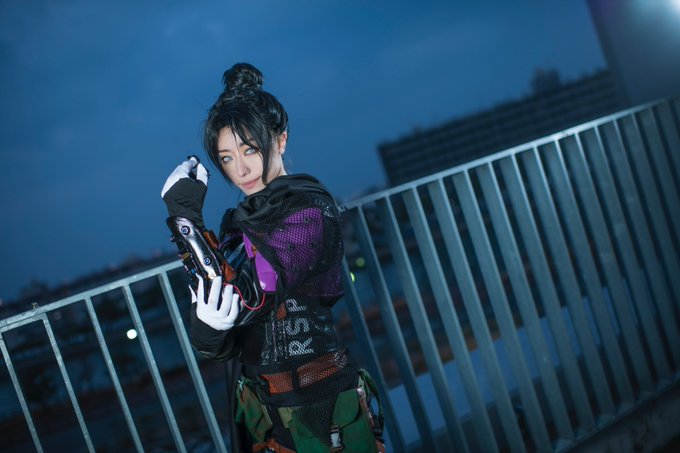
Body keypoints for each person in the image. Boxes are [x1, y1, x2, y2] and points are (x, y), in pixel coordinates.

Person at [161, 63, 385, 453]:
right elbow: (218, 339)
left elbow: (246, 297)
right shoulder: (238, 223)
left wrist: (186, 222)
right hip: (264, 415)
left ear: (280, 140)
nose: (240, 168)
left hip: (322, 408)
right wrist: (211, 325)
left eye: (249, 149)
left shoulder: (309, 213)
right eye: (226, 157)